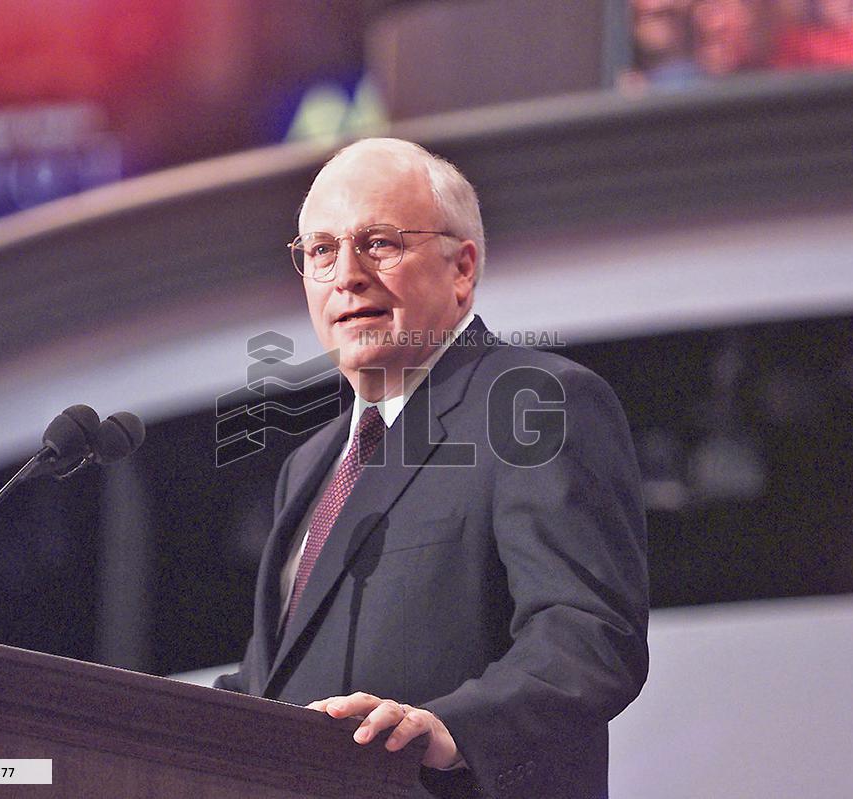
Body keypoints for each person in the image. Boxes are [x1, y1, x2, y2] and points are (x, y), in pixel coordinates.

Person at [214, 138, 649, 798]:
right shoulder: (309, 465)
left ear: (461, 268)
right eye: (322, 251)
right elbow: (273, 683)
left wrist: (451, 729)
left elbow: (588, 634)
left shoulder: (531, 402)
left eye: (380, 242)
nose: (347, 274)